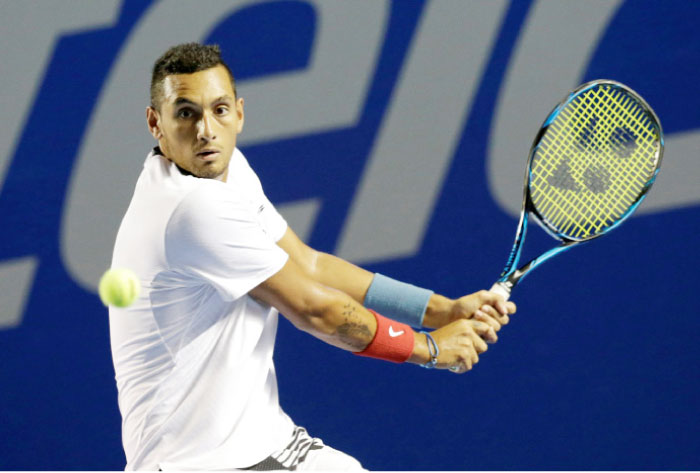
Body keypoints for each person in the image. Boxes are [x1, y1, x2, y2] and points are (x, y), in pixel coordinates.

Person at [108, 42, 516, 471]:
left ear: (240, 113)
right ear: (156, 123)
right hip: (199, 461)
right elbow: (314, 308)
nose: (206, 129)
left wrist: (440, 310)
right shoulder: (191, 209)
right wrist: (430, 348)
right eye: (186, 113)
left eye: (220, 110)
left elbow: (310, 265)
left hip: (264, 440)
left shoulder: (226, 172)